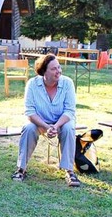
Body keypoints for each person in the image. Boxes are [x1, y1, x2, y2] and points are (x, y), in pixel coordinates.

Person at [12, 53, 80, 187]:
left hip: (61, 121)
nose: (58, 71)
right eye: (54, 69)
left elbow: (69, 111)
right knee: (28, 128)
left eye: (59, 67)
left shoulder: (67, 83)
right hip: (40, 122)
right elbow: (30, 112)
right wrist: (47, 126)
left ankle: (69, 171)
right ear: (44, 72)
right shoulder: (32, 84)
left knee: (69, 128)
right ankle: (21, 168)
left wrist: (56, 126)